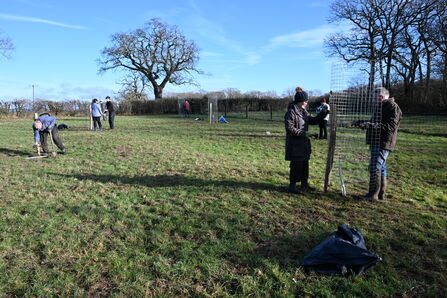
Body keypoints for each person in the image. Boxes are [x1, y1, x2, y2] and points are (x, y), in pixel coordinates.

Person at [352, 87, 402, 201]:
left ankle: (372, 195)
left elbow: (389, 126)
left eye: (374, 98)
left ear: (381, 97)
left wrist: (369, 125)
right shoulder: (382, 107)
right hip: (377, 141)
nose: (372, 100)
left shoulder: (393, 107)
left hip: (383, 143)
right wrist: (361, 122)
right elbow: (376, 123)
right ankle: (380, 194)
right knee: (381, 168)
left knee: (375, 168)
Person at [285, 87, 329, 194]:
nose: (307, 102)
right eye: (305, 100)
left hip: (303, 144)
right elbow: (290, 128)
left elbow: (313, 120)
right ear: (300, 101)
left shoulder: (304, 111)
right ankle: (292, 186)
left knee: (305, 164)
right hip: (295, 144)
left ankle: (304, 184)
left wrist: (324, 113)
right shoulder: (291, 112)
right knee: (296, 165)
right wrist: (304, 133)